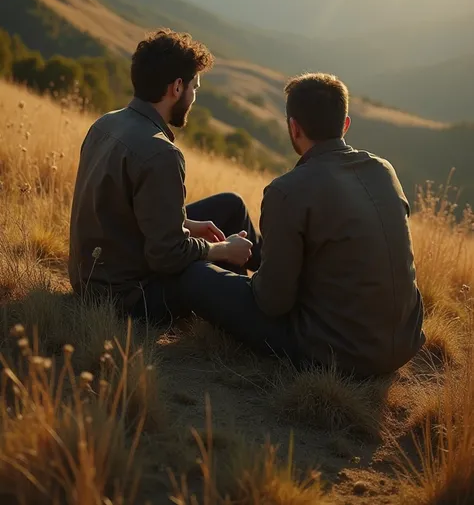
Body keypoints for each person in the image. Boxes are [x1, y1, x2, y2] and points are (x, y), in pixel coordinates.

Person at [176, 73, 425, 376]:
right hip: (404, 344)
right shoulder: (383, 170)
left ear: (294, 128)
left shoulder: (288, 190)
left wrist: (228, 261)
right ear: (345, 124)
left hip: (336, 353)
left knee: (194, 273)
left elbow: (273, 303)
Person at [68, 29, 258, 322]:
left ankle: (273, 272)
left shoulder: (105, 123)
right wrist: (222, 250)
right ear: (177, 88)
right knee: (207, 273)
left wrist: (184, 223)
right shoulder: (161, 153)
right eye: (195, 88)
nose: (194, 98)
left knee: (229, 205)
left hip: (92, 277)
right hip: (127, 299)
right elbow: (167, 256)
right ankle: (266, 301)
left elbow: (122, 210)